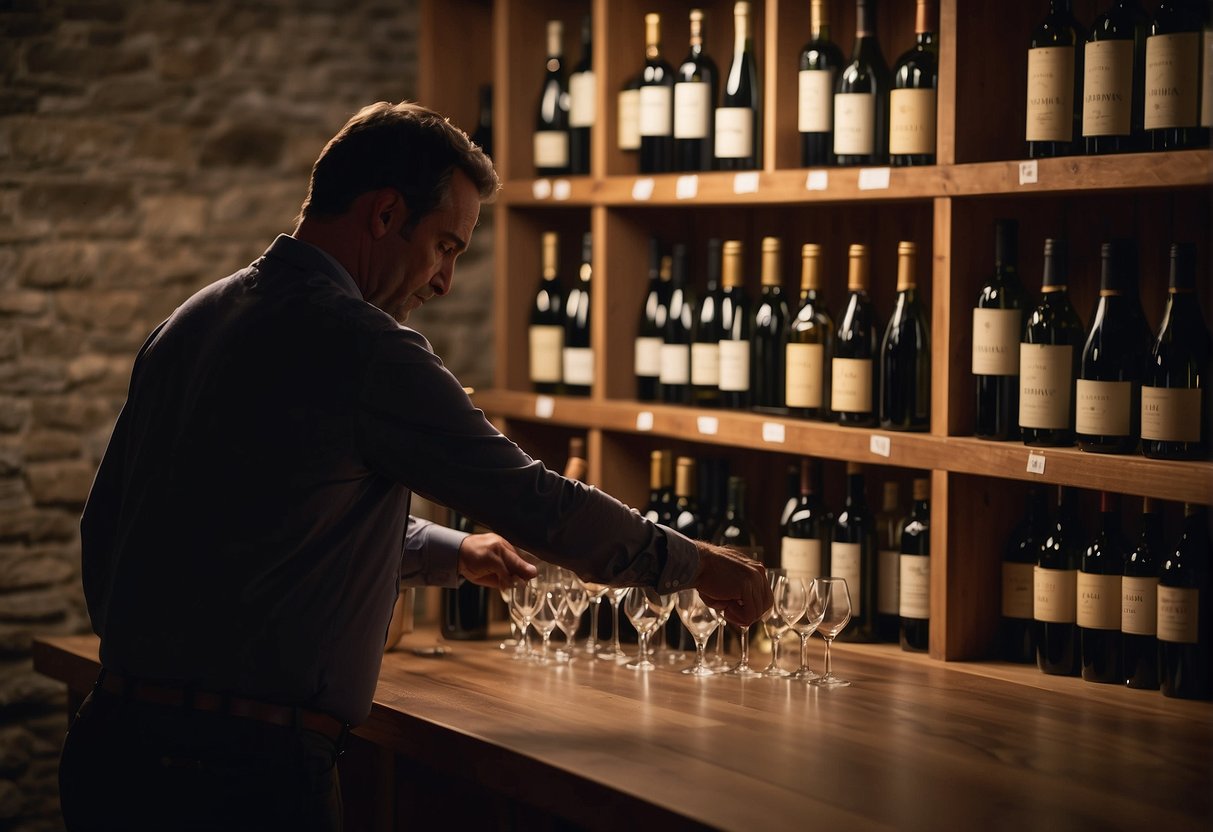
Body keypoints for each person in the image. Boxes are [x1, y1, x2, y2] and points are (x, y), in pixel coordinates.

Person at [57, 101, 770, 831]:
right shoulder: (363, 347)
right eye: (445, 247)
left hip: (115, 747)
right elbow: (538, 503)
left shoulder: (193, 321)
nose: (445, 281)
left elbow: (174, 521)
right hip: (239, 778)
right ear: (385, 214)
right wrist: (704, 567)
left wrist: (454, 551)